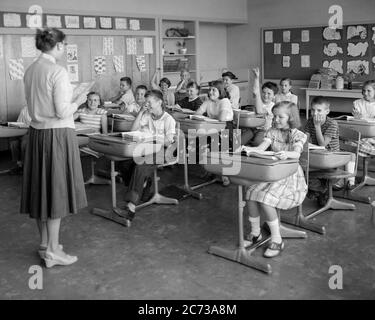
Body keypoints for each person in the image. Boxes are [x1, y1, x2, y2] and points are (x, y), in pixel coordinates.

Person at [21, 28, 88, 268]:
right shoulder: (57, 71)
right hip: (57, 135)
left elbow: (32, 106)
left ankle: (45, 243)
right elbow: (62, 111)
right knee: (56, 192)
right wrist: (79, 100)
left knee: (42, 191)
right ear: (58, 46)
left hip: (37, 135)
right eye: (64, 45)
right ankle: (52, 251)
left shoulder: (30, 71)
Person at [242, 101, 307, 257]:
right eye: (275, 116)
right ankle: (256, 232)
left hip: (290, 175)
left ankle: (277, 239)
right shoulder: (272, 131)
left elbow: (297, 153)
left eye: (281, 117)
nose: (276, 119)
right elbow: (261, 148)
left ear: (291, 117)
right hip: (272, 172)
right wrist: (248, 149)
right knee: (250, 193)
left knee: (265, 198)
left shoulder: (298, 134)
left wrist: (288, 154)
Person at [115, 90, 176, 226]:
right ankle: (143, 185)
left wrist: (155, 139)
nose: (146, 104)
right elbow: (133, 130)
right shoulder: (147, 114)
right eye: (146, 101)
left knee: (140, 166)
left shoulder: (168, 119)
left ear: (159, 102)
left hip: (163, 151)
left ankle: (130, 208)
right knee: (124, 163)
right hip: (144, 149)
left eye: (149, 102)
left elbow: (168, 142)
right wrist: (141, 113)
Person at [304, 96, 355, 193]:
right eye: (312, 110)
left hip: (332, 157)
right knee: (301, 172)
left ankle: (322, 190)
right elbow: (304, 139)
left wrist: (317, 126)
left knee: (308, 176)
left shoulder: (332, 124)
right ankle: (322, 190)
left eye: (319, 110)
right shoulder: (310, 121)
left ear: (327, 111)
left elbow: (322, 144)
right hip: (318, 155)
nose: (315, 114)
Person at [195, 80, 234, 186]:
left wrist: (208, 117)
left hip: (226, 129)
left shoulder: (224, 101)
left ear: (220, 91)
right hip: (212, 128)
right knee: (198, 141)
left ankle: (224, 175)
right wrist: (208, 117)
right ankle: (210, 169)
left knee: (218, 144)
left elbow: (222, 118)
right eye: (210, 89)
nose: (210, 92)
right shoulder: (208, 101)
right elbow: (197, 114)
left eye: (214, 90)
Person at [241, 67, 278, 147]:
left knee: (257, 144)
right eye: (264, 92)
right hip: (253, 128)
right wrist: (256, 78)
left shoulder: (272, 106)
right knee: (238, 142)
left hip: (264, 130)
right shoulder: (259, 101)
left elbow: (260, 111)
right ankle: (249, 142)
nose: (265, 95)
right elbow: (256, 90)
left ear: (274, 96)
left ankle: (253, 143)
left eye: (269, 93)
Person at [9, 106, 32, 175]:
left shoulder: (40, 108)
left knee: (24, 142)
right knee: (13, 142)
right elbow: (19, 123)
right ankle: (19, 164)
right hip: (23, 132)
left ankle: (25, 166)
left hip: (33, 133)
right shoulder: (25, 109)